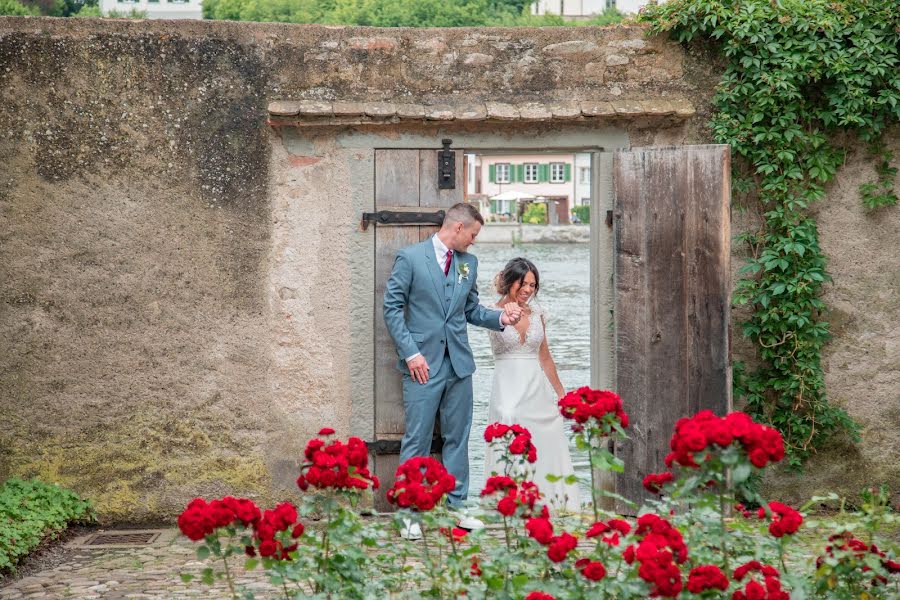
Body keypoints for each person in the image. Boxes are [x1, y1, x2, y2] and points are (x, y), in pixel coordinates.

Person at [383, 203, 523, 540]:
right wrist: (411, 353)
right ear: (458, 227)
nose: (474, 241)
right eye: (473, 234)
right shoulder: (411, 258)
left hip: (459, 364)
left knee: (458, 438)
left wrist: (500, 318)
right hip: (422, 365)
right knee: (417, 438)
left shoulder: (468, 264)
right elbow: (391, 308)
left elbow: (471, 309)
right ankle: (407, 514)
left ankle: (457, 509)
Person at [484, 257, 581, 513]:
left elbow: (545, 358)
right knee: (508, 422)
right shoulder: (490, 312)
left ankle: (550, 501)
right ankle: (509, 503)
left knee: (549, 430)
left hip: (536, 388)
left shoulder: (538, 314)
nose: (528, 290)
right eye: (523, 283)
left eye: (533, 285)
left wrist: (562, 394)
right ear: (509, 281)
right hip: (507, 387)